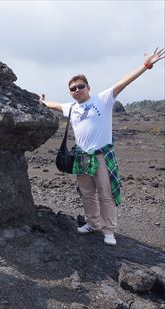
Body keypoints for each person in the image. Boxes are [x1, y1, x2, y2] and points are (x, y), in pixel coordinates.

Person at [39, 48, 164, 246]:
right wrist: (43, 102)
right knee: (87, 193)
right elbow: (54, 105)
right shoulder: (71, 107)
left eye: (80, 86)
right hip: (82, 157)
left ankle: (109, 230)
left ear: (88, 87)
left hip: (101, 156)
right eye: (73, 89)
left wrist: (146, 65)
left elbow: (125, 81)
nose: (77, 90)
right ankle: (92, 223)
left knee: (106, 195)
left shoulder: (103, 99)